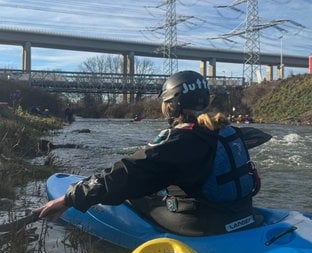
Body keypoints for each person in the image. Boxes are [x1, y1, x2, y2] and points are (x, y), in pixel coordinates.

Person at [34, 70, 270, 236]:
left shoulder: (179, 141)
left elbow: (126, 174)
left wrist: (70, 198)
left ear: (173, 106)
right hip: (242, 213)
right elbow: (259, 137)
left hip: (201, 225)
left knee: (131, 193)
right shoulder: (230, 132)